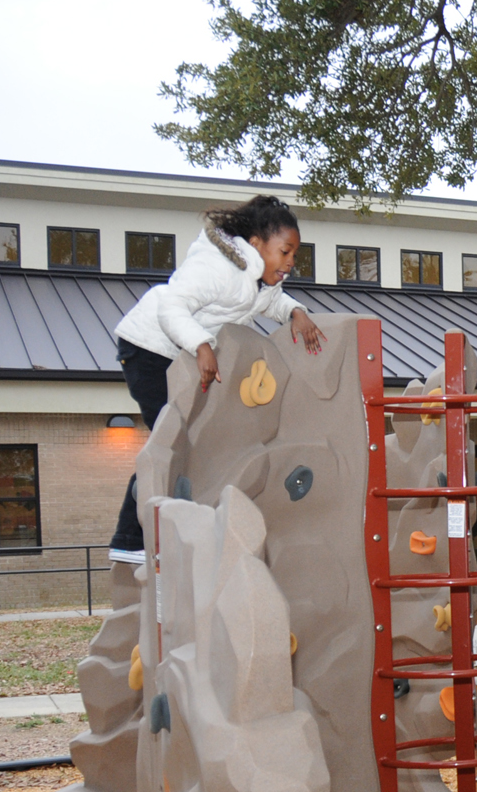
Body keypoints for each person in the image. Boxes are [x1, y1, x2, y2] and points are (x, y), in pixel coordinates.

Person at [106, 195, 326, 563]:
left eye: (294, 256)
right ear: (256, 244)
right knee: (172, 438)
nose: (290, 262)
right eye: (285, 251)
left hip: (181, 356)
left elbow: (272, 303)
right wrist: (201, 345)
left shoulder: (259, 282)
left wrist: (296, 313)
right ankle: (130, 539)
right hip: (148, 349)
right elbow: (172, 306)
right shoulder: (217, 267)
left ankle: (172, 529)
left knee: (195, 440)